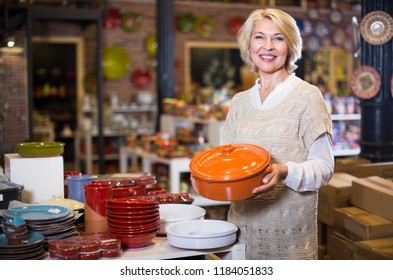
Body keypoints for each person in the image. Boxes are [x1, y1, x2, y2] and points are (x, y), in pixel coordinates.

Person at [193, 8, 334, 260]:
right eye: (259, 37)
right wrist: (207, 179)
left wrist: (284, 171)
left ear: (290, 46)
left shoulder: (308, 97)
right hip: (241, 235)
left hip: (291, 240)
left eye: (278, 38)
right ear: (248, 44)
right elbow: (227, 164)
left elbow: (324, 168)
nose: (268, 46)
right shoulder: (239, 103)